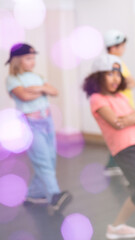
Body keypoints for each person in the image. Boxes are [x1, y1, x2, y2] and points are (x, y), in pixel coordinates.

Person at [83, 54, 135, 240]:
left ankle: (115, 227)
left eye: (118, 74)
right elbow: (116, 123)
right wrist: (130, 118)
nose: (116, 78)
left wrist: (127, 119)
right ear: (98, 76)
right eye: (110, 74)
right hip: (123, 149)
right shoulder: (96, 99)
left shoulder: (121, 96)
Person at [5, 43, 72, 213]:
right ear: (17, 60)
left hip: (46, 121)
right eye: (28, 58)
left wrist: (38, 88)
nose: (32, 61)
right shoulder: (13, 80)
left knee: (49, 160)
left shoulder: (37, 77)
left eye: (33, 58)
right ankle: (54, 196)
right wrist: (42, 90)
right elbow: (24, 96)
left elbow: (54, 91)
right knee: (42, 160)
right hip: (30, 124)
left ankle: (34, 193)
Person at [102, 29, 135, 176]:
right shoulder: (112, 63)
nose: (124, 49)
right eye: (122, 46)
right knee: (121, 137)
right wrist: (126, 82)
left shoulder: (117, 62)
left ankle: (114, 164)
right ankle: (116, 165)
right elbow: (124, 83)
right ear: (113, 47)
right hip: (118, 106)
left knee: (121, 136)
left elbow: (131, 82)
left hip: (125, 104)